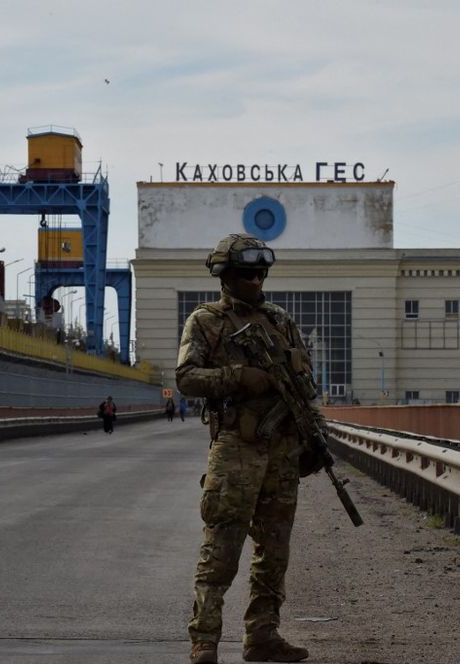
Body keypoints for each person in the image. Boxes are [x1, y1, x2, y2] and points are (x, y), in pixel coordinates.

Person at [177, 233, 320, 664]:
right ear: (226, 276)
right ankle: (204, 640)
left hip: (282, 451)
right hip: (236, 447)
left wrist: (315, 435)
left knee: (274, 550)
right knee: (221, 548)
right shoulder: (205, 321)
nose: (256, 281)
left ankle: (262, 635)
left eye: (261, 273)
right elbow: (186, 378)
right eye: (246, 274)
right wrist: (237, 376)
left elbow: (304, 385)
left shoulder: (279, 320)